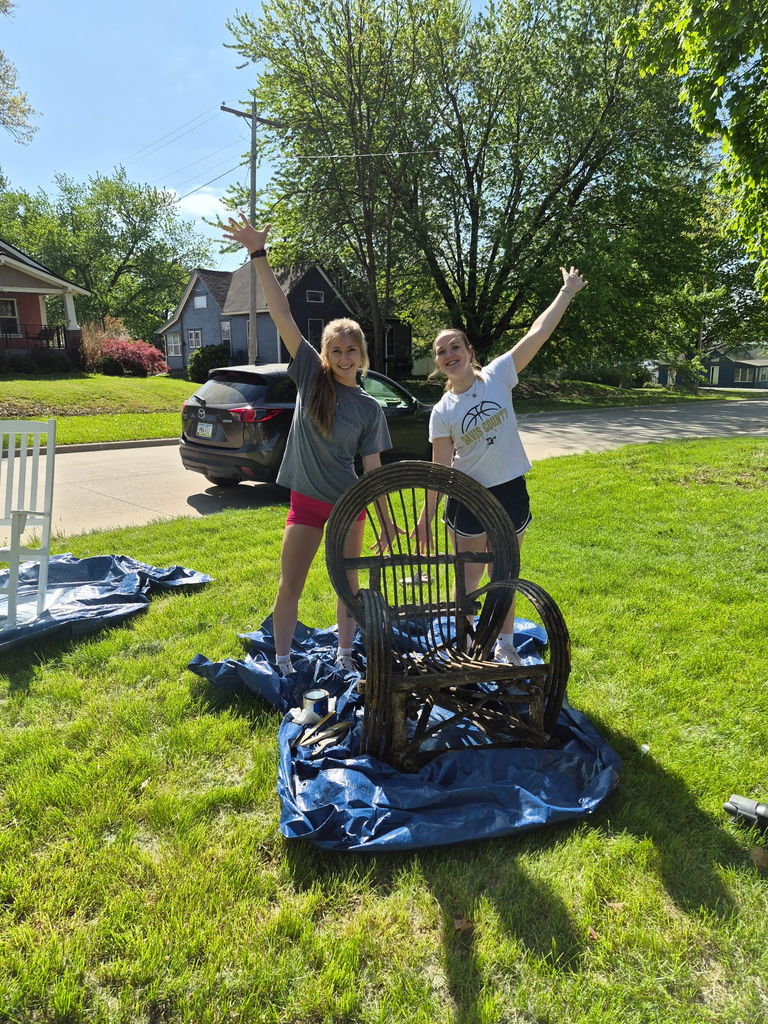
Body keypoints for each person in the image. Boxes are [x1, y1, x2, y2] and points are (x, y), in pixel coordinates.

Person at [222, 213, 398, 676]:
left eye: (351, 350)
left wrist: (387, 522)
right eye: (335, 350)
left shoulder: (369, 408)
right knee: (290, 585)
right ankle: (282, 661)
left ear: (362, 355)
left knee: (348, 587)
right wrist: (257, 254)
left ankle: (343, 655)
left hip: (349, 506)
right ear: (325, 353)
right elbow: (282, 312)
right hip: (305, 504)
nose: (343, 357)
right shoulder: (308, 378)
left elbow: (374, 470)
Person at [416, 266, 587, 664]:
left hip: (510, 489)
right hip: (467, 499)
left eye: (454, 346)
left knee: (504, 574)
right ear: (438, 363)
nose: (448, 354)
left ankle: (504, 644)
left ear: (469, 351)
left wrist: (567, 291)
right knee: (468, 579)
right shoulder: (442, 411)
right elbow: (439, 469)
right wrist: (426, 516)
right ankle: (461, 643)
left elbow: (537, 335)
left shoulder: (497, 375)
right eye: (441, 351)